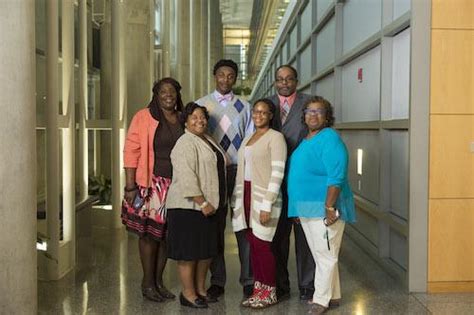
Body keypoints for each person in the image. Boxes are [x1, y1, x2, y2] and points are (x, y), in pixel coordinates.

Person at [287, 96, 356, 315]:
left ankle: (321, 300)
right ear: (303, 115)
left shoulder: (330, 139)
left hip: (324, 207)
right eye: (309, 111)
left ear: (327, 117)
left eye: (319, 112)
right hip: (307, 207)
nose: (313, 115)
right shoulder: (307, 139)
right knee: (321, 254)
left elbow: (336, 177)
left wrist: (329, 207)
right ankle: (333, 295)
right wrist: (298, 208)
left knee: (325, 254)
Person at [122, 78, 184, 302]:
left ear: (177, 95)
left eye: (172, 92)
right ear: (156, 95)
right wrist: (130, 186)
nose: (168, 95)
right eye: (163, 92)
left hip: (176, 185)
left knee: (166, 236)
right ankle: (147, 283)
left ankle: (158, 282)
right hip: (150, 185)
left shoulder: (182, 118)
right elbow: (131, 150)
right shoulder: (143, 116)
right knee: (149, 236)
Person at [196, 59, 254, 299]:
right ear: (214, 75)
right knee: (215, 227)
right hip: (213, 174)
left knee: (243, 226)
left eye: (231, 75)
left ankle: (249, 281)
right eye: (221, 74)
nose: (225, 79)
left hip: (239, 171)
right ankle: (217, 281)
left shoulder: (245, 106)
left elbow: (250, 140)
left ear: (235, 78)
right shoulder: (201, 105)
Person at [166, 102, 228, 309]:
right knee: (189, 253)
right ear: (186, 120)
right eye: (194, 117)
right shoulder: (185, 142)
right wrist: (201, 201)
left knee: (206, 252)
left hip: (209, 206)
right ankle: (188, 293)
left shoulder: (207, 139)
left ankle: (201, 289)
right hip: (189, 207)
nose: (199, 121)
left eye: (202, 117)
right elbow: (186, 176)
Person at [232, 99, 287, 308]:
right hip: (246, 194)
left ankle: (269, 292)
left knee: (263, 246)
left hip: (264, 198)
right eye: (256, 112)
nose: (259, 116)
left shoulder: (276, 138)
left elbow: (277, 173)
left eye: (264, 113)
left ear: (271, 115)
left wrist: (267, 205)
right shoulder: (249, 137)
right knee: (253, 246)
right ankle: (258, 291)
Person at [268, 65, 315, 300]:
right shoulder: (265, 105)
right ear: (275, 82)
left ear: (296, 81)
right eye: (280, 79)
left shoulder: (310, 103)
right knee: (278, 237)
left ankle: (307, 285)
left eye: (288, 79)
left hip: (302, 180)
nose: (284, 83)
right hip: (274, 181)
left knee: (305, 235)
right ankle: (281, 286)